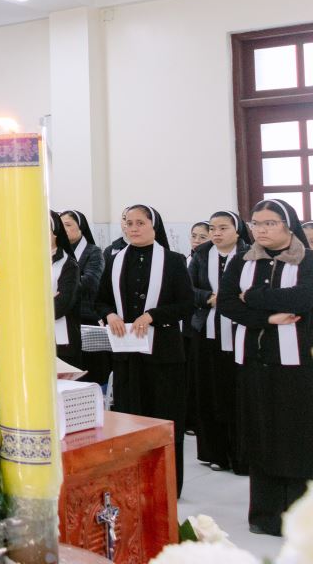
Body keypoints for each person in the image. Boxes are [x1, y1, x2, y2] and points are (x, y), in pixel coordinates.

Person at [217, 198, 313, 535]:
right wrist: (267, 318)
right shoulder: (243, 260)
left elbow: (304, 298)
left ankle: (299, 518)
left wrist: (254, 297)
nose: (261, 229)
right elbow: (227, 303)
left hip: (296, 364)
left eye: (270, 223)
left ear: (288, 225)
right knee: (261, 435)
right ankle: (265, 515)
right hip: (253, 363)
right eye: (256, 223)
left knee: (296, 436)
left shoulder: (307, 259)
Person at [95, 204, 192, 497]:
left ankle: (167, 485)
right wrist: (110, 314)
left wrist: (152, 315)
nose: (133, 228)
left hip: (163, 354)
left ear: (154, 226)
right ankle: (131, 482)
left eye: (140, 223)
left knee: (163, 417)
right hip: (127, 355)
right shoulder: (115, 259)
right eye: (128, 223)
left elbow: (186, 304)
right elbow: (100, 300)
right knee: (130, 418)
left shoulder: (173, 261)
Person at [190, 210, 251, 474]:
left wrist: (232, 300)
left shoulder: (250, 254)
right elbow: (187, 288)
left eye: (223, 228)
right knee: (209, 393)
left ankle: (242, 456)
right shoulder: (202, 254)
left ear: (237, 230)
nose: (216, 233)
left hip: (241, 334)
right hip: (207, 333)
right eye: (213, 228)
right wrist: (209, 298)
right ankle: (214, 453)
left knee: (238, 395)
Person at [62, 210, 109, 389]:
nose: (63, 230)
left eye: (68, 225)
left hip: (85, 320)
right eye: (60, 226)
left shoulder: (93, 252)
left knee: (89, 378)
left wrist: (61, 284)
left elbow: (90, 282)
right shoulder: (56, 253)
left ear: (80, 227)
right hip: (62, 320)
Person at [50, 211, 81, 367]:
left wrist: (30, 306)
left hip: (61, 342)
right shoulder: (23, 262)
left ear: (55, 233)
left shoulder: (68, 264)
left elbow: (62, 304)